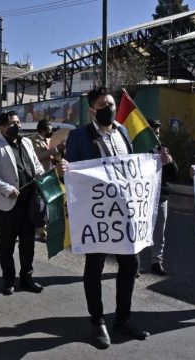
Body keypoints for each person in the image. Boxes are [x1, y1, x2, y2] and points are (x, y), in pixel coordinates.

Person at [65, 87, 149, 349]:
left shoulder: (123, 131)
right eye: (103, 104)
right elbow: (72, 172)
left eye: (111, 103)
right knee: (95, 268)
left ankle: (123, 318)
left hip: (125, 212)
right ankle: (97, 321)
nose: (109, 108)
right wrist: (64, 169)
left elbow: (133, 166)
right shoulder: (79, 136)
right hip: (97, 213)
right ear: (92, 109)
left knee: (130, 265)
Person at [0, 111, 45, 296]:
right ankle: (8, 280)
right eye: (12, 123)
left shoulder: (26, 142)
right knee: (7, 245)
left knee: (28, 244)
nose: (17, 126)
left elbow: (36, 164)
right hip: (8, 204)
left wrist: (41, 175)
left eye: (18, 122)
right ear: (2, 128)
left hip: (29, 203)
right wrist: (6, 188)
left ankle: (27, 278)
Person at [148, 120, 178, 276]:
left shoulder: (162, 150)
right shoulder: (138, 150)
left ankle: (156, 262)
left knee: (159, 233)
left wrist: (169, 161)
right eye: (153, 132)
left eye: (158, 133)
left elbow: (174, 174)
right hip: (143, 198)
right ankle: (134, 264)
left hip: (160, 197)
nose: (157, 135)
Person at [29, 119, 66, 242]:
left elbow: (52, 153)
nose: (51, 133)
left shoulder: (49, 139)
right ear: (42, 130)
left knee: (54, 202)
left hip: (52, 174)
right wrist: (55, 149)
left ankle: (51, 229)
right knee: (42, 204)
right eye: (49, 131)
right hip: (41, 175)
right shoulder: (33, 140)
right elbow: (39, 156)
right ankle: (42, 231)